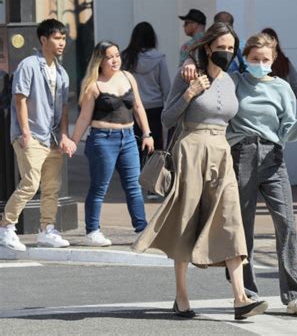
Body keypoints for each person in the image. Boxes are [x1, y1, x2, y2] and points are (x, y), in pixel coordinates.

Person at [132, 22, 268, 320]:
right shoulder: (188, 75)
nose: (227, 53)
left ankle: (240, 298)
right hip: (191, 150)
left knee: (231, 219)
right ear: (208, 48)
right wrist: (189, 92)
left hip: (222, 153)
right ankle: (181, 298)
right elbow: (167, 119)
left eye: (231, 48)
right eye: (221, 48)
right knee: (186, 221)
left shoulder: (232, 81)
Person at [182, 32, 297, 316]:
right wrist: (187, 61)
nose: (260, 63)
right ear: (244, 59)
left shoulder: (282, 88)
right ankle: (246, 293)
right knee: (242, 228)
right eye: (254, 59)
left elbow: (287, 131)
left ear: (274, 60)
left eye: (265, 59)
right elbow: (205, 61)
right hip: (240, 155)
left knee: (287, 225)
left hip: (273, 156)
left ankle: (295, 295)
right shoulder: (234, 82)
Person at [0, 19, 76, 251]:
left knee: (52, 185)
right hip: (31, 134)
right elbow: (20, 99)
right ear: (43, 40)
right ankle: (6, 227)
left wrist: (65, 136)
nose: (61, 43)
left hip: (53, 137)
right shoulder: (29, 65)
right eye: (57, 38)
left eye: (63, 38)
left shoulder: (62, 73)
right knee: (31, 183)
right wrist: (24, 133)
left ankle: (46, 230)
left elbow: (63, 109)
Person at [70, 40, 154, 247]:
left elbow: (138, 107)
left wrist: (147, 133)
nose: (115, 60)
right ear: (100, 60)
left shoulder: (128, 77)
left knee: (134, 185)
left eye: (117, 55)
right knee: (100, 187)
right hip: (102, 140)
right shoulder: (94, 85)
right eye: (109, 57)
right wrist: (73, 142)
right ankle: (92, 231)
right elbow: (83, 118)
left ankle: (142, 229)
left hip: (128, 139)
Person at [122, 21, 171, 159]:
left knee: (134, 150)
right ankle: (152, 179)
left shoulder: (125, 57)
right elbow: (166, 87)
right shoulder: (159, 58)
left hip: (132, 109)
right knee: (155, 151)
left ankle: (135, 177)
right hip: (156, 109)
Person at [261, 27, 297, 110]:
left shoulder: (284, 63)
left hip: (268, 109)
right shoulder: (284, 63)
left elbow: (296, 88)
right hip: (284, 109)